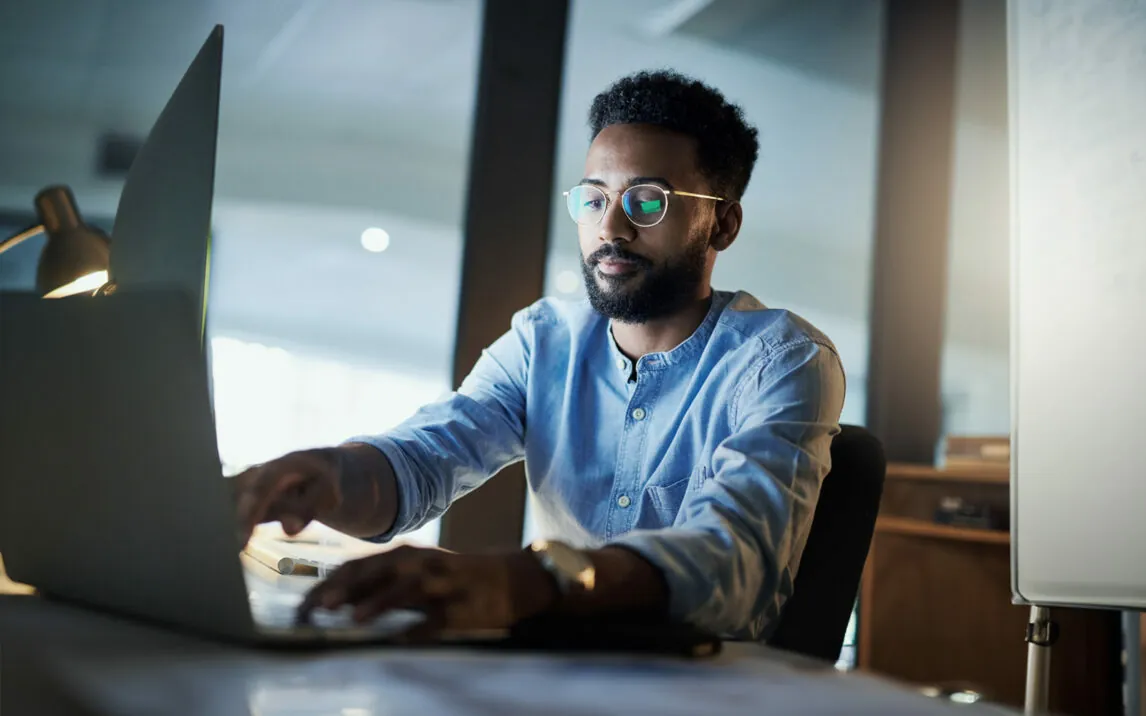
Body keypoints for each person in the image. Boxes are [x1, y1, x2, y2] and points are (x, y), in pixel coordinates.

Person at [233, 70, 845, 641]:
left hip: (707, 687)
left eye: (648, 201)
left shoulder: (781, 360)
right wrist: (322, 478)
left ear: (722, 225)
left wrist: (527, 582)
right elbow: (425, 458)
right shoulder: (542, 340)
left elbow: (734, 556)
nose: (611, 228)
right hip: (550, 670)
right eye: (594, 198)